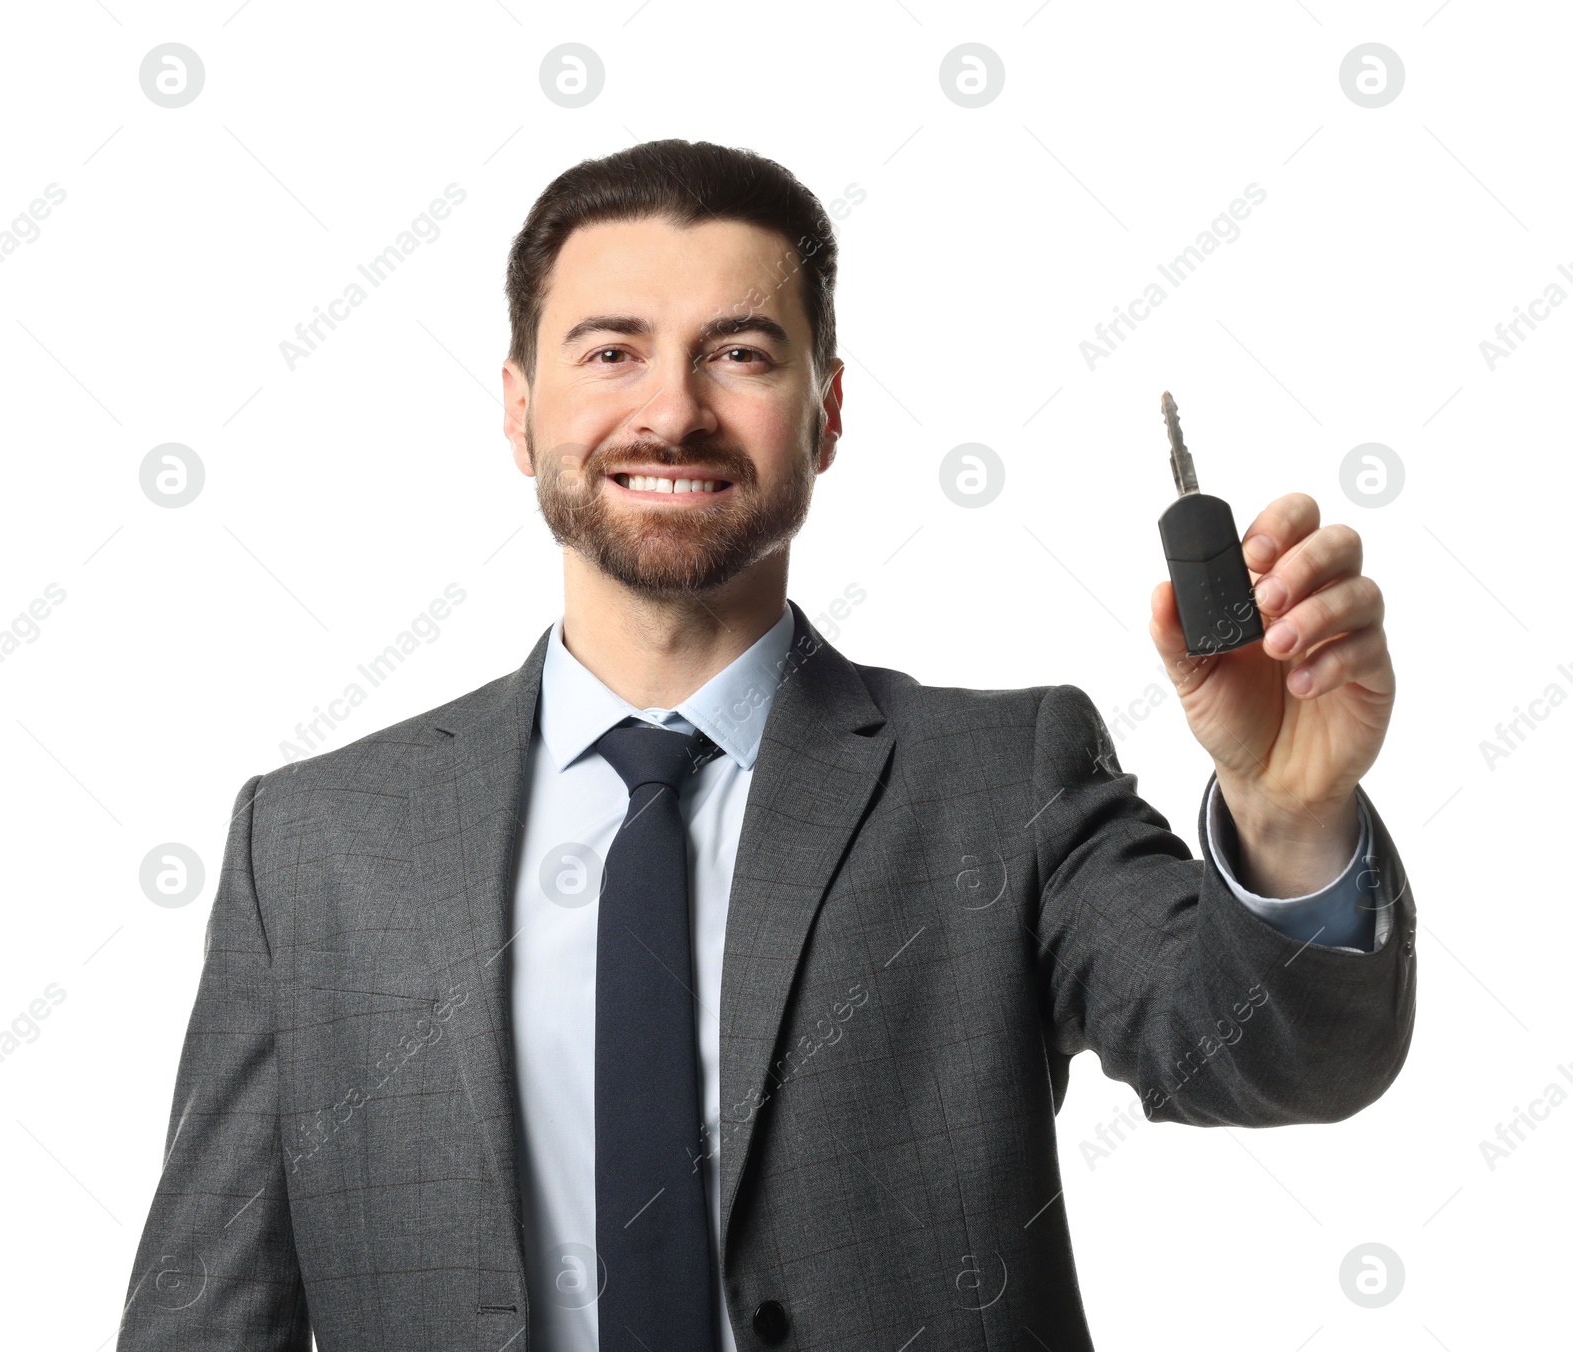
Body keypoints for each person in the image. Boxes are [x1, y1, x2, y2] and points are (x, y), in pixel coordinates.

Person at [115, 139, 1414, 1352]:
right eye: (610, 352)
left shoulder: (1002, 778)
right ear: (518, 411)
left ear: (826, 412)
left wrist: (1290, 815)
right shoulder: (311, 844)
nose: (671, 412)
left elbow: (1267, 1056)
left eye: (738, 353)